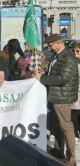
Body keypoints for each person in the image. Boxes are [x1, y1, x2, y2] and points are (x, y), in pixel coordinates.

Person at [34, 34, 78, 165]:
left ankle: (71, 158)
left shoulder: (68, 58)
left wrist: (42, 78)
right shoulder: (56, 55)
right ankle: (59, 150)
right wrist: (45, 74)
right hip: (54, 95)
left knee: (66, 126)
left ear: (59, 43)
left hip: (63, 97)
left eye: (51, 45)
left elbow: (63, 78)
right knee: (57, 126)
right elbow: (54, 73)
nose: (49, 47)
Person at [71, 43, 80, 144]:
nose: (75, 53)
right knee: (74, 112)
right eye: (73, 51)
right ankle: (76, 134)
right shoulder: (72, 62)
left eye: (77, 51)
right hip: (75, 92)